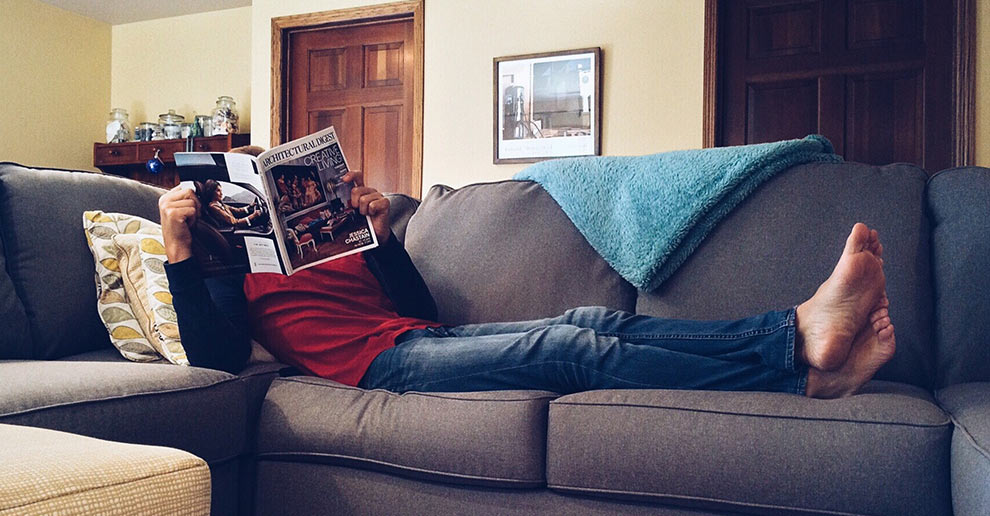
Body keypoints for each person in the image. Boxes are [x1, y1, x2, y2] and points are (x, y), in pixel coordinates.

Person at [159, 151, 895, 400]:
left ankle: (797, 344)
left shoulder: (337, 242)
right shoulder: (233, 269)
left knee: (593, 321)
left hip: (416, 338)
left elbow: (416, 306)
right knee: (569, 350)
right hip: (380, 370)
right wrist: (180, 251)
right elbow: (216, 357)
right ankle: (797, 365)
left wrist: (380, 236)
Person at [197, 179, 264, 229]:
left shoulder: (219, 203)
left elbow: (237, 210)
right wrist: (253, 216)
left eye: (221, 190)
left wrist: (250, 206)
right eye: (218, 190)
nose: (221, 193)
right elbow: (234, 222)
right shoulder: (213, 207)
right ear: (211, 192)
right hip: (234, 230)